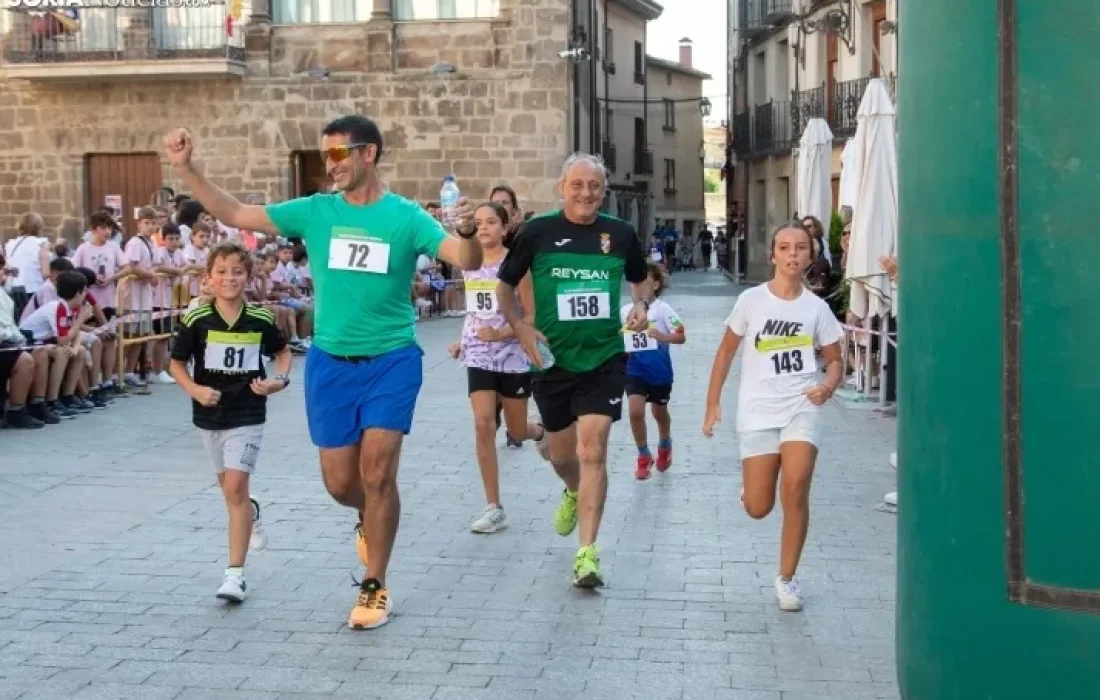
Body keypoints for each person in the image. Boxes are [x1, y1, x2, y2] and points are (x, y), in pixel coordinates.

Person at [163, 114, 482, 629]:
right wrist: (189, 169)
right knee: (340, 484)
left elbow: (463, 257)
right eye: (326, 156)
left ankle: (375, 584)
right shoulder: (315, 212)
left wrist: (465, 229)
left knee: (378, 472)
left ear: (368, 154)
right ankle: (370, 519)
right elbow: (238, 212)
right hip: (332, 364)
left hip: (392, 359)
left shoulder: (405, 217)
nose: (330, 166)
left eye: (338, 156)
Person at [496, 152, 650, 588]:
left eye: (595, 186)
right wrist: (521, 327)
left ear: (604, 190)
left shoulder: (620, 234)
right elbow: (504, 288)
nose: (586, 193)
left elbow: (639, 280)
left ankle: (587, 554)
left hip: (604, 357)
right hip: (553, 361)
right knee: (564, 457)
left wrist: (639, 305)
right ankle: (571, 490)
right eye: (577, 185)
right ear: (561, 188)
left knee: (593, 450)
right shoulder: (538, 232)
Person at [702, 221, 843, 612]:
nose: (793, 254)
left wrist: (826, 388)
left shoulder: (817, 309)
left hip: (801, 407)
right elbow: (725, 352)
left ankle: (787, 578)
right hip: (757, 411)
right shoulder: (751, 301)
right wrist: (712, 404)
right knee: (760, 508)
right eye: (785, 247)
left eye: (801, 247)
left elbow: (835, 362)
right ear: (774, 256)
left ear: (811, 255)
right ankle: (750, 492)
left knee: (796, 485)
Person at [168, 241, 292, 603]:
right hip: (209, 413)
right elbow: (175, 364)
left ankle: (234, 574)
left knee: (236, 487)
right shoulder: (196, 319)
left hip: (248, 411)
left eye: (237, 272)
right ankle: (250, 513)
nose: (229, 278)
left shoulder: (262, 319)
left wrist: (278, 382)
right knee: (230, 491)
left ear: (248, 277)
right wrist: (195, 390)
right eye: (221, 272)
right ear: (209, 277)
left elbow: (282, 353)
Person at [447, 202, 545, 534]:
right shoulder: (468, 263)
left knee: (516, 431)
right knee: (483, 423)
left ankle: (539, 431)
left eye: (491, 222)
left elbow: (531, 317)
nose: (484, 228)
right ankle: (493, 507)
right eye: (478, 223)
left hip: (513, 354)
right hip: (478, 353)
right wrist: (462, 339)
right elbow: (474, 311)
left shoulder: (518, 266)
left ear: (505, 228)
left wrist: (504, 332)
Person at [620, 262, 686, 480]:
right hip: (634, 369)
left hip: (659, 372)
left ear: (656, 285)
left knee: (659, 413)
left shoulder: (664, 309)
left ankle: (665, 444)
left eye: (644, 283)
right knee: (635, 412)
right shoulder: (624, 312)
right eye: (634, 283)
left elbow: (681, 335)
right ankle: (643, 454)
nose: (638, 288)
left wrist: (663, 336)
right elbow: (618, 340)